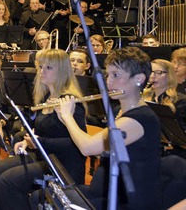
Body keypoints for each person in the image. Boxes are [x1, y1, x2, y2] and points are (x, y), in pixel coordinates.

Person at [49, 47, 161, 210]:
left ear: (139, 79)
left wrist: (67, 118)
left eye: (116, 75)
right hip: (107, 192)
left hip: (127, 201)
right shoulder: (119, 111)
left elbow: (88, 148)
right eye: (108, 75)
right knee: (47, 194)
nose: (108, 82)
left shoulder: (140, 118)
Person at [0, 49, 86, 210]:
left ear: (62, 71)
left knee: (8, 181)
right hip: (43, 156)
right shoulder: (47, 97)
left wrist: (40, 142)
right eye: (41, 67)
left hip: (61, 165)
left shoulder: (70, 102)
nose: (42, 72)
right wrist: (28, 141)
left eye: (48, 68)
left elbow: (75, 145)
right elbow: (43, 131)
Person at [143, 59, 186, 158]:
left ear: (169, 76)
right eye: (151, 72)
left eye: (159, 73)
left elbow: (181, 136)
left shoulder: (180, 101)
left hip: (173, 152)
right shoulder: (144, 98)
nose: (153, 76)